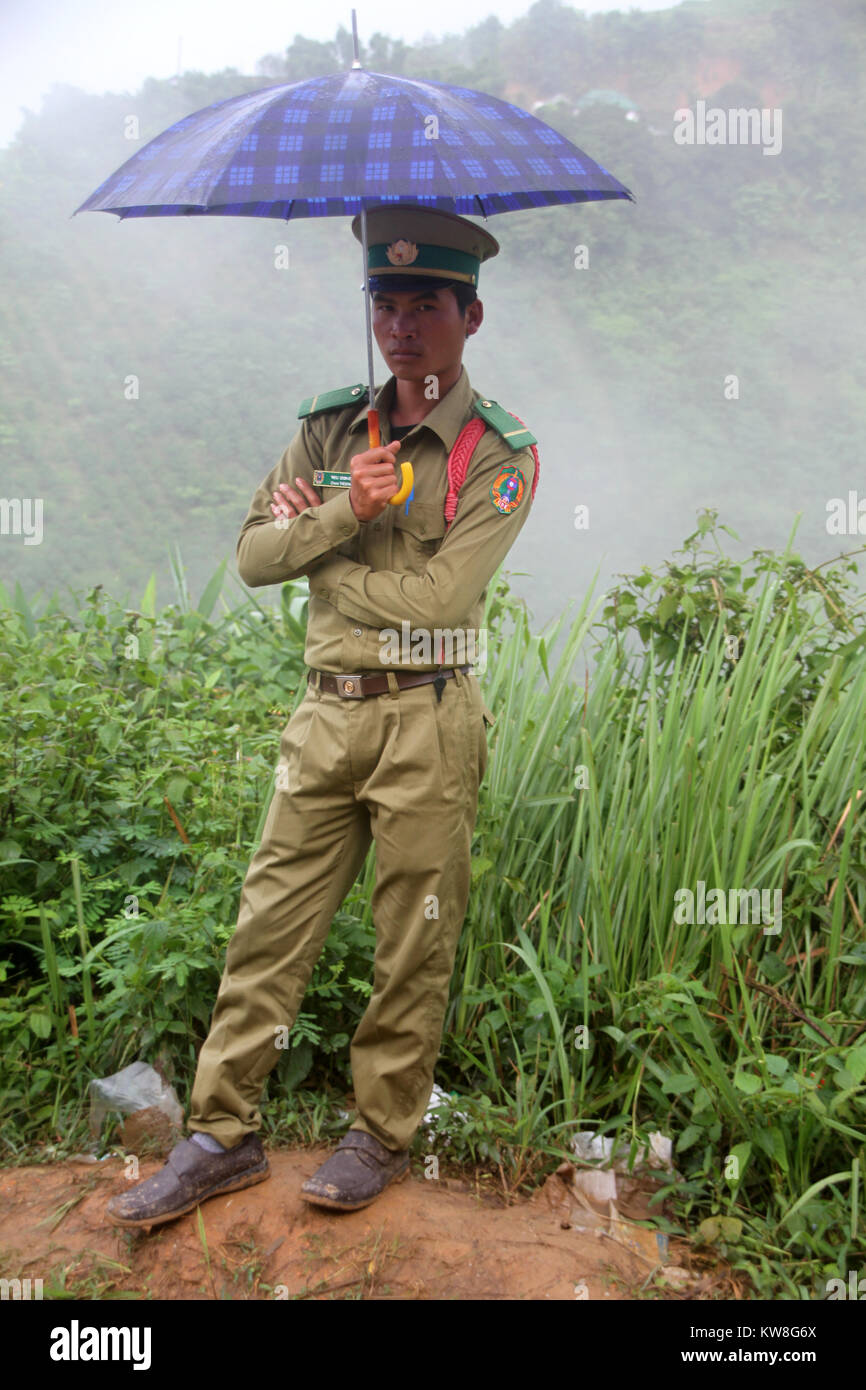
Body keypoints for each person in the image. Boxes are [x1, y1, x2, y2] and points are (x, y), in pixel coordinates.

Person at [106, 202, 538, 1225]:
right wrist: (349, 509)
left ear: (467, 316)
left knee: (410, 940)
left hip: (428, 718)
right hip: (323, 715)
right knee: (266, 926)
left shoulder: (497, 453)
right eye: (384, 300)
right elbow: (254, 558)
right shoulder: (328, 427)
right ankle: (220, 1134)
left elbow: (437, 603)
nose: (399, 322)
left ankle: (379, 1134)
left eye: (424, 302)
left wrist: (326, 554)